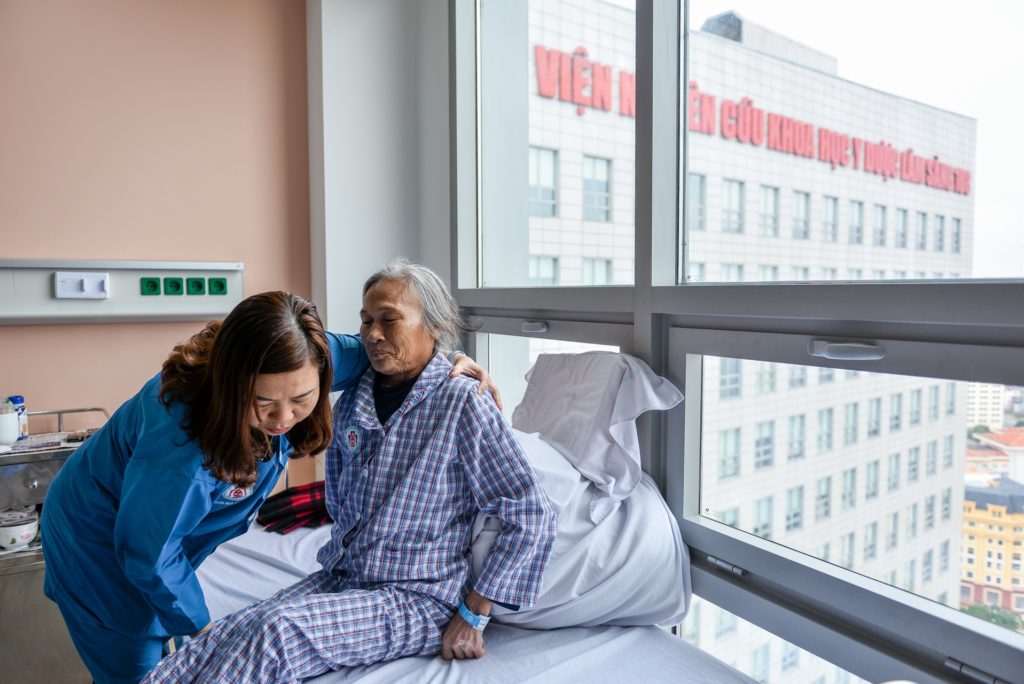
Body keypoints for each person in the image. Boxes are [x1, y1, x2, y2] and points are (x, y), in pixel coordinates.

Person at [41, 290, 494, 684]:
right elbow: (149, 553)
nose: (283, 419)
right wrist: (203, 629)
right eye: (263, 403)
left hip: (153, 523)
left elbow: (385, 350)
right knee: (136, 661)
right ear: (233, 386)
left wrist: (448, 362)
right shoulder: (182, 443)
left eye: (301, 399)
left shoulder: (305, 355)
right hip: (95, 537)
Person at [142, 260, 557, 683]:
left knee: (277, 632)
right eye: (366, 321)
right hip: (343, 577)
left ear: (434, 325)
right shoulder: (355, 396)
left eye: (389, 320)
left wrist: (474, 614)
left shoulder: (463, 401)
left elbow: (531, 512)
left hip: (416, 596)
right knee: (232, 630)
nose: (373, 334)